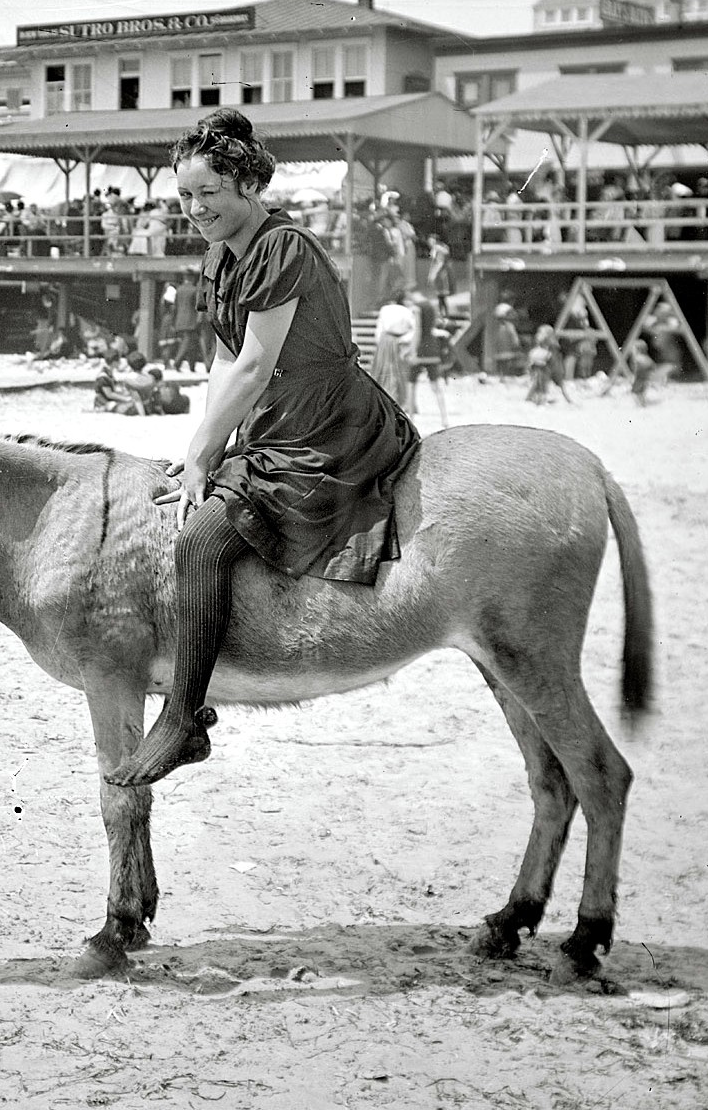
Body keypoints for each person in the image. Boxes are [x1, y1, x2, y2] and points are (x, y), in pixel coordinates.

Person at [106, 109, 419, 786]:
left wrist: (202, 456)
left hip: (327, 427)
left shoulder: (283, 249)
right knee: (186, 496)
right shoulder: (222, 257)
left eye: (207, 194)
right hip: (275, 421)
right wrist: (204, 448)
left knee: (201, 539)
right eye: (184, 197)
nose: (193, 209)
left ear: (248, 183)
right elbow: (225, 363)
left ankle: (186, 718)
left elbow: (254, 365)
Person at [405, 289, 450, 427]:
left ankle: (411, 418)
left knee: (411, 384)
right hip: (432, 347)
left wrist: (412, 350)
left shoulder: (417, 308)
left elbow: (417, 330)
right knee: (436, 385)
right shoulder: (431, 305)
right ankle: (444, 418)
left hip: (421, 349)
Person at [370, 288, 416, 411]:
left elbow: (379, 328)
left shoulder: (385, 309)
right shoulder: (407, 312)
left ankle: (382, 399)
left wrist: (379, 343)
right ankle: (398, 400)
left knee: (382, 370)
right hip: (398, 341)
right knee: (398, 372)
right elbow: (413, 330)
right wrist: (404, 341)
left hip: (385, 341)